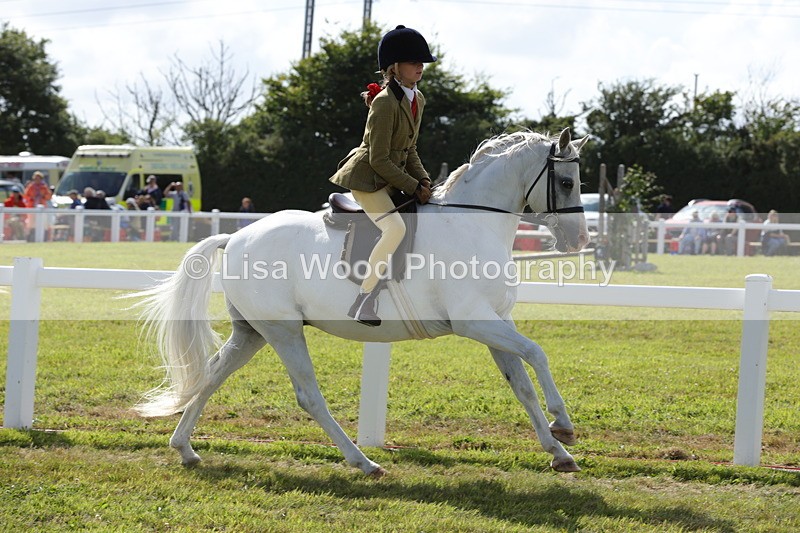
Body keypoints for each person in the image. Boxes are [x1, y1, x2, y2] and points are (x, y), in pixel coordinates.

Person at [329, 25, 436, 326]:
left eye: (422, 62)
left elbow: (410, 149)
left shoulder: (418, 99)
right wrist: (413, 185)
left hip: (390, 175)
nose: (420, 66)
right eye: (413, 61)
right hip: (367, 178)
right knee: (395, 229)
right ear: (394, 67)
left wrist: (424, 180)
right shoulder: (385, 102)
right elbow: (379, 159)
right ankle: (364, 299)